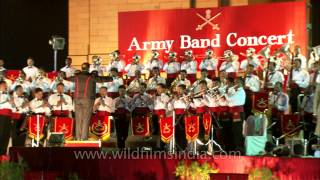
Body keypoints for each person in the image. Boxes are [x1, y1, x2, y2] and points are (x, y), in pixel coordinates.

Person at [69, 62, 112, 140]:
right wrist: (111, 78)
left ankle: (78, 137)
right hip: (87, 99)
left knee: (78, 119)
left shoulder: (76, 77)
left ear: (82, 68)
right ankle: (83, 138)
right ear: (88, 68)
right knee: (86, 118)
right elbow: (101, 79)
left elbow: (68, 78)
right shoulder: (90, 77)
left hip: (77, 99)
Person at [0, 81, 13, 155]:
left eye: (6, 85)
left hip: (8, 116)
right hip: (1, 115)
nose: (5, 86)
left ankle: (3, 153)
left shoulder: (8, 94)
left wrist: (12, 101)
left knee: (6, 135)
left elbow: (13, 107)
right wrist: (7, 100)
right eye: (3, 85)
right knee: (1, 134)